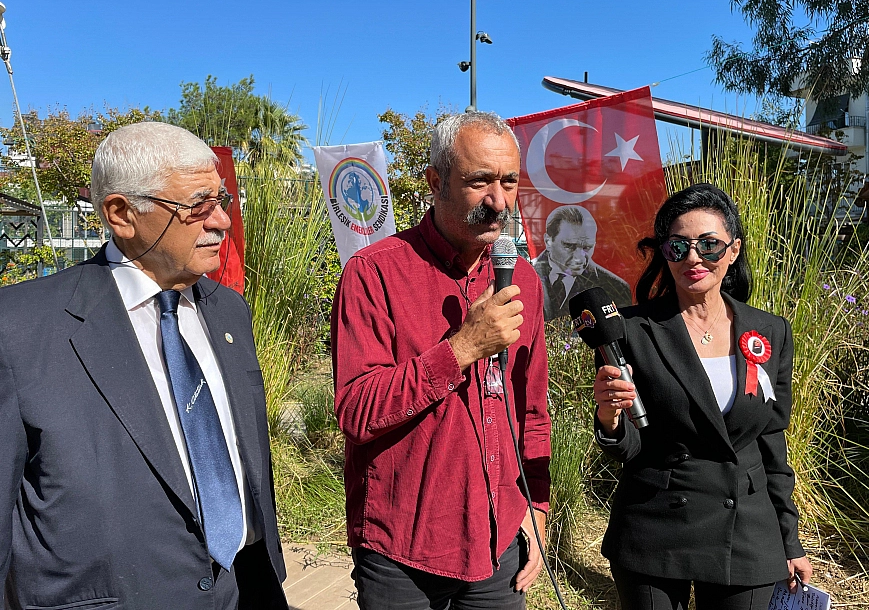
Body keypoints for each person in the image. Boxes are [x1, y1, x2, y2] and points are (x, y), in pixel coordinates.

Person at [0, 122, 288, 609]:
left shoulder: (228, 309)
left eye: (221, 200)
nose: (221, 221)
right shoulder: (18, 326)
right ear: (122, 214)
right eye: (198, 205)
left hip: (244, 592)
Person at [332, 111, 551, 609]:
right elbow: (357, 411)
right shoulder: (374, 273)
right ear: (436, 182)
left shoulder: (523, 280)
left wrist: (537, 504)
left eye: (509, 181)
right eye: (480, 182)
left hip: (498, 542)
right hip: (404, 550)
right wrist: (462, 349)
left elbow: (532, 410)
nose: (499, 201)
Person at [592, 183, 812, 610]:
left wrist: (790, 538)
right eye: (678, 247)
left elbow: (771, 441)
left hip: (746, 531)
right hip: (656, 524)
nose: (693, 258)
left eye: (709, 245)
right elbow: (631, 448)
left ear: (733, 251)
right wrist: (609, 418)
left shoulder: (770, 330)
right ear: (665, 253)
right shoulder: (629, 331)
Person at [533, 204, 631, 320]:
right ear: (548, 241)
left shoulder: (616, 288)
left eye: (587, 247)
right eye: (569, 246)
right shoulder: (525, 277)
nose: (579, 258)